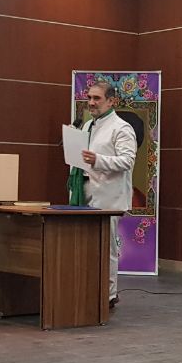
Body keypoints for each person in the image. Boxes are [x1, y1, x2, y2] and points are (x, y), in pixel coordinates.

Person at [76, 80, 137, 308]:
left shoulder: (121, 128)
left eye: (97, 98)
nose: (91, 103)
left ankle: (109, 295)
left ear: (111, 101)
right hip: (85, 193)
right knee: (87, 245)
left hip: (108, 197)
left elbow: (127, 161)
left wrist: (98, 160)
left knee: (107, 246)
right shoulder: (87, 126)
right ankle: (89, 288)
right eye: (89, 98)